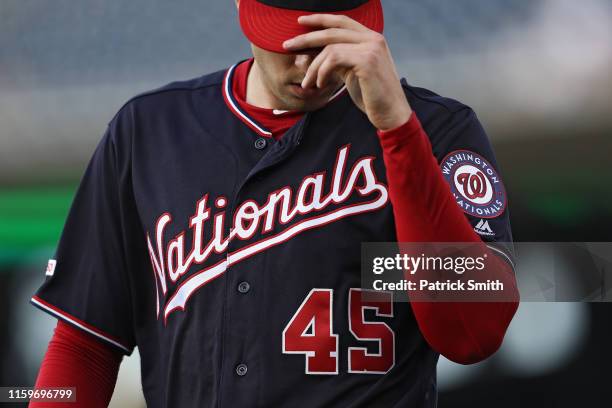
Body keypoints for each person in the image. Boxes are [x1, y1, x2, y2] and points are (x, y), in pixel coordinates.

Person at [29, 1, 519, 407]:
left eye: (324, 39)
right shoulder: (149, 132)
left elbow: (471, 333)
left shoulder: (436, 131)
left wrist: (396, 128)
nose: (308, 66)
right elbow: (86, 343)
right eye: (289, 42)